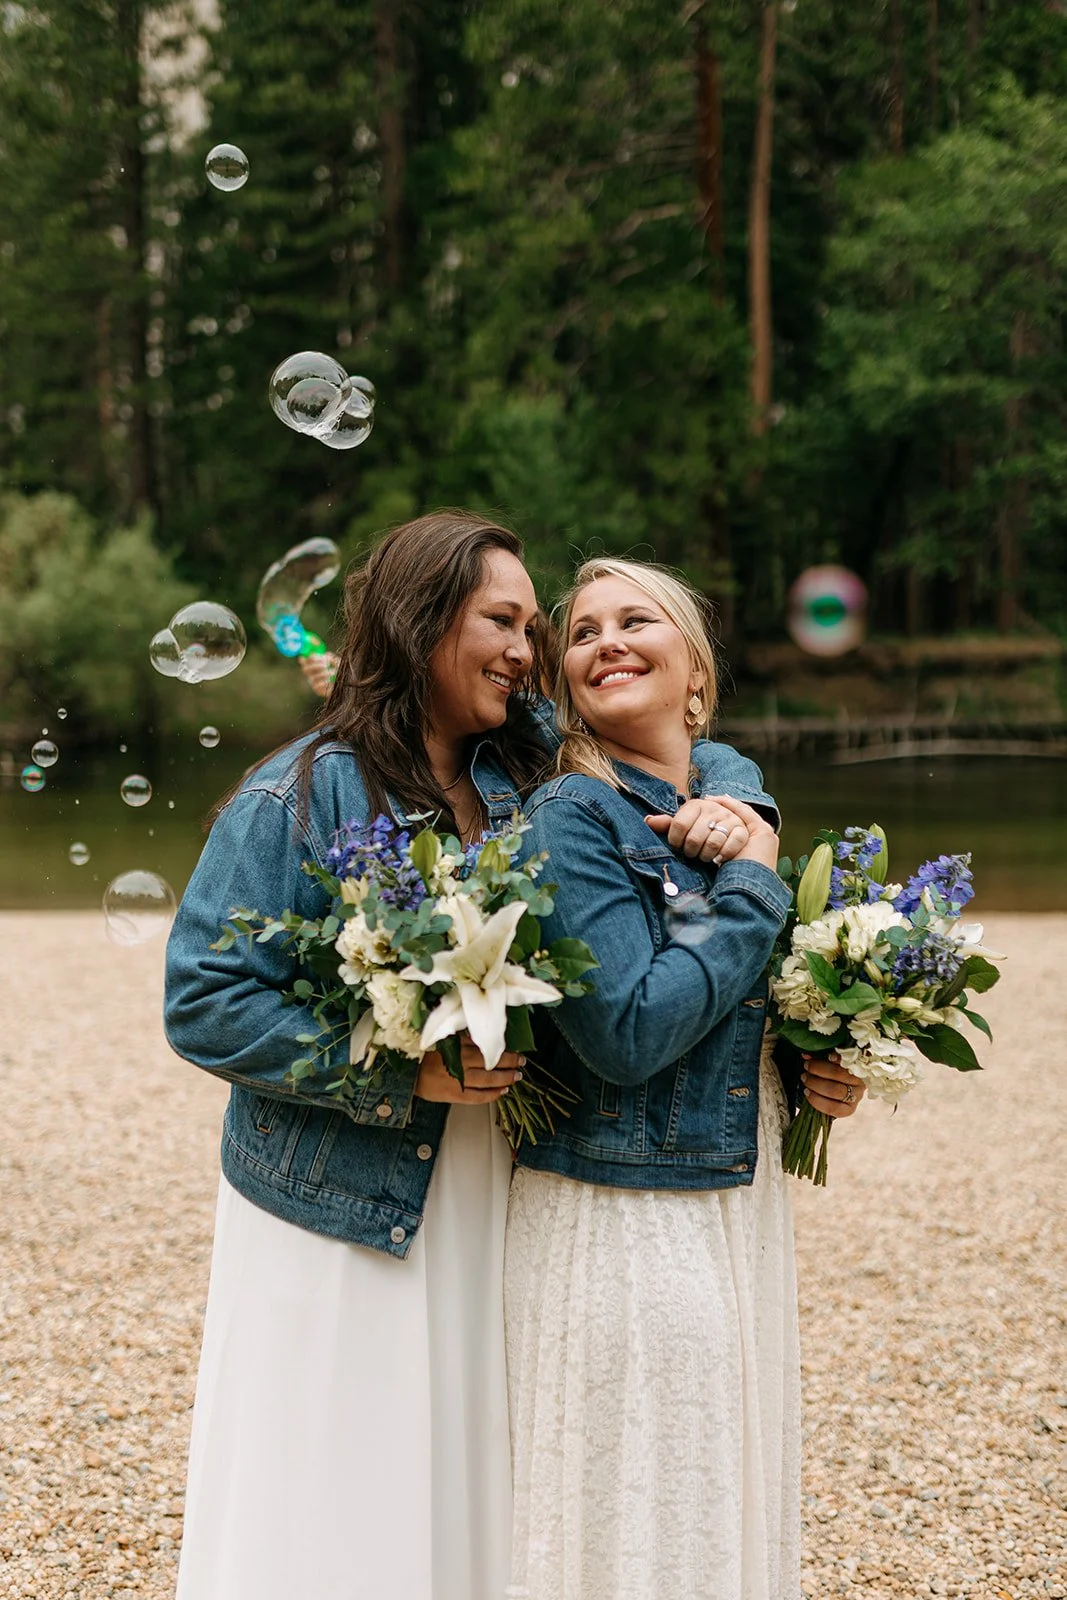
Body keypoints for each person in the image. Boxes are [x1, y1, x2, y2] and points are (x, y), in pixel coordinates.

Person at [163, 513, 752, 1600]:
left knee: (469, 1467)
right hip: (334, 1196)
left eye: (532, 628)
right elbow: (201, 999)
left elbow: (661, 721)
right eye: (501, 622)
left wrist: (739, 799)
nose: (527, 651)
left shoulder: (526, 765)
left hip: (495, 1178)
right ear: (418, 619)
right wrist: (394, 1072)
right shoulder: (295, 790)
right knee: (335, 1476)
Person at [504, 557, 866, 1600]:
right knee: (638, 1511)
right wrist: (753, 885)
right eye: (579, 634)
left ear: (694, 674)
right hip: (616, 1209)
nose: (602, 640)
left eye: (634, 620)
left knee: (709, 1495)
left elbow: (737, 1006)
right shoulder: (569, 817)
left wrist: (814, 1067)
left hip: (731, 1197)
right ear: (566, 683)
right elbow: (622, 1031)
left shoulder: (730, 794)